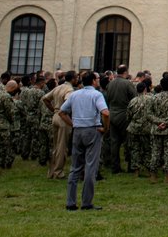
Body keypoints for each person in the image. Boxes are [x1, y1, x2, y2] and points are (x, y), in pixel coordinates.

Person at [59, 70, 109, 211]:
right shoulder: (96, 94)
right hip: (92, 130)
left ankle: (70, 202)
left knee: (75, 168)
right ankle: (87, 202)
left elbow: (62, 112)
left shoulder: (75, 94)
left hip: (78, 131)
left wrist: (73, 124)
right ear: (93, 81)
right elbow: (105, 112)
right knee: (90, 167)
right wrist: (105, 128)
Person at [104, 64, 137, 174]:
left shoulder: (110, 84)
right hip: (124, 114)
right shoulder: (128, 84)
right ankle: (130, 166)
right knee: (128, 141)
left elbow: (107, 98)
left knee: (114, 142)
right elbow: (134, 98)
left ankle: (115, 167)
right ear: (125, 72)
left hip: (112, 114)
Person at [42, 71, 75, 179]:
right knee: (62, 147)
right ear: (73, 79)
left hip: (55, 116)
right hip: (63, 117)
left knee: (55, 146)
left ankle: (51, 171)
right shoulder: (69, 90)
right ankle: (58, 172)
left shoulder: (58, 87)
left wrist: (53, 110)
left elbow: (45, 99)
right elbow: (67, 103)